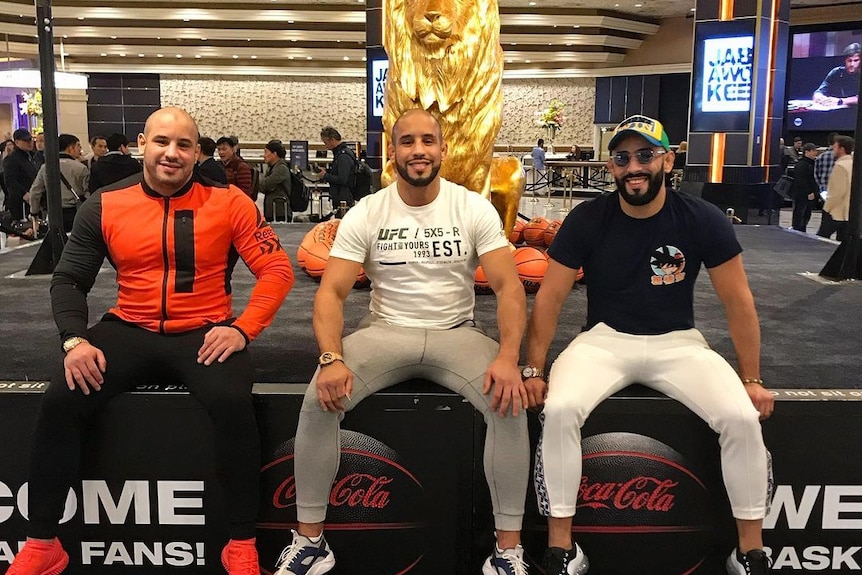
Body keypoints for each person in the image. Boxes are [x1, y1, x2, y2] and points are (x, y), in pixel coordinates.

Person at [5, 107, 294, 575]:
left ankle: (241, 541)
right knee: (61, 395)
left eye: (184, 145)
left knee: (232, 402)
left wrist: (243, 329)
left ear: (197, 153)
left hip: (205, 333)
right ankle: (43, 541)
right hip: (129, 329)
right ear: (143, 142)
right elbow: (69, 280)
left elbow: (277, 271)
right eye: (162, 141)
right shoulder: (105, 203)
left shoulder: (231, 202)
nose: (171, 153)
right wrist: (75, 340)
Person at [274, 109, 532, 575]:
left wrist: (510, 357)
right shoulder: (368, 211)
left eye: (428, 141)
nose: (419, 150)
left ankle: (507, 549)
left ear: (443, 149)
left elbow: (510, 287)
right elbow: (331, 291)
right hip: (384, 333)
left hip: (458, 335)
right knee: (318, 397)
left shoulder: (471, 207)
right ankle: (311, 541)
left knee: (508, 401)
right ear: (392, 153)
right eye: (407, 142)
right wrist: (331, 358)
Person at [525, 115, 774, 575]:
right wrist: (534, 370)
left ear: (668, 159)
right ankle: (562, 549)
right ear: (612, 166)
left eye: (645, 155)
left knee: (741, 416)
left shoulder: (703, 218)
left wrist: (752, 379)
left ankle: (750, 552)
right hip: (603, 341)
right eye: (622, 158)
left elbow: (738, 302)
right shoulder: (587, 218)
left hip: (678, 343)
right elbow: (550, 299)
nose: (633, 166)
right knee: (558, 410)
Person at [28, 133, 89, 232]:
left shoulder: (46, 167)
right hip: (75, 212)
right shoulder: (81, 168)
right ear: (70, 148)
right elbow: (87, 192)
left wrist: (34, 213)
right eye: (78, 146)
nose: (80, 149)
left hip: (53, 213)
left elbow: (35, 192)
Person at [818, 135, 854, 241]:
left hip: (835, 211)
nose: (833, 150)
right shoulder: (853, 163)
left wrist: (827, 208)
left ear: (841, 149)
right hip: (848, 211)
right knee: (843, 242)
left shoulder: (840, 166)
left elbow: (837, 192)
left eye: (835, 147)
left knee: (821, 239)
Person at [3, 128, 39, 220]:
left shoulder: (32, 156)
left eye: (30, 140)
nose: (29, 143)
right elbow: (10, 180)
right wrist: (24, 193)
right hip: (20, 203)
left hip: (33, 200)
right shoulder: (11, 159)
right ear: (17, 142)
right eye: (25, 140)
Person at [317, 126, 356, 210]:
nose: (326, 146)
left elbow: (342, 179)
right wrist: (327, 171)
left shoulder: (343, 156)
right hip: (341, 196)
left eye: (326, 143)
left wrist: (325, 175)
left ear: (332, 140)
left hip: (344, 199)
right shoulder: (341, 153)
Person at [812, 43, 860, 107]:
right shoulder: (837, 72)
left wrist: (841, 101)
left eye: (856, 60)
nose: (852, 64)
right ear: (845, 61)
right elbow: (819, 92)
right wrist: (821, 98)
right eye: (849, 61)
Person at [260, 139, 292, 222]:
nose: (264, 155)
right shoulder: (272, 168)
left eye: (266, 152)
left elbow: (265, 184)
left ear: (274, 154)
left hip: (280, 213)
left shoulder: (281, 168)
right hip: (272, 211)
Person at [790, 143, 820, 232]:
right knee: (801, 213)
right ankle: (798, 230)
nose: (816, 152)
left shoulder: (811, 163)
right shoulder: (802, 164)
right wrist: (809, 192)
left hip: (809, 193)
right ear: (807, 152)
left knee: (806, 214)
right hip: (803, 194)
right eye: (814, 151)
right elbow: (801, 180)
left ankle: (802, 229)